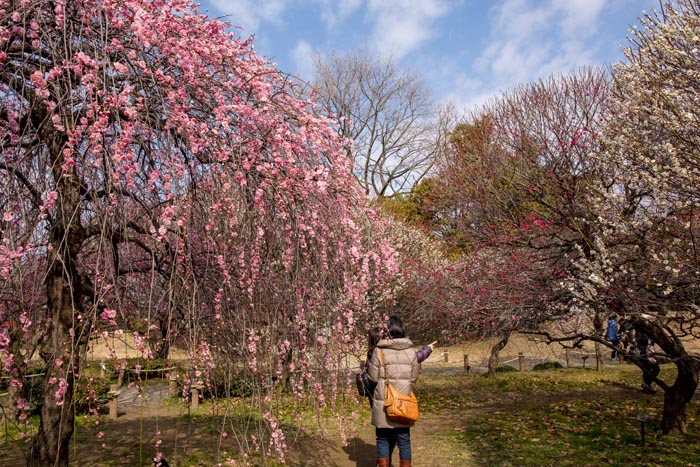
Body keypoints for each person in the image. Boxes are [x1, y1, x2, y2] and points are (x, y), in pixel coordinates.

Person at [367, 316, 420, 467]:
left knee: (382, 438)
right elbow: (414, 377)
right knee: (404, 440)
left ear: (387, 331)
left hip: (384, 402)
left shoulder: (379, 351)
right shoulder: (411, 352)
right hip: (403, 402)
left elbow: (373, 377)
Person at [363, 328, 436, 408]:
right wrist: (427, 349)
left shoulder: (371, 354)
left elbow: (373, 377)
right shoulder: (384, 353)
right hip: (394, 394)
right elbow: (414, 357)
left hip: (378, 396)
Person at [635, 329, 660, 394]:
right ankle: (647, 385)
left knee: (655, 369)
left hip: (650, 351)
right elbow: (640, 342)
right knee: (648, 369)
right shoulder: (640, 331)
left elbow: (653, 341)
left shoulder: (650, 330)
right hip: (644, 352)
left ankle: (647, 384)